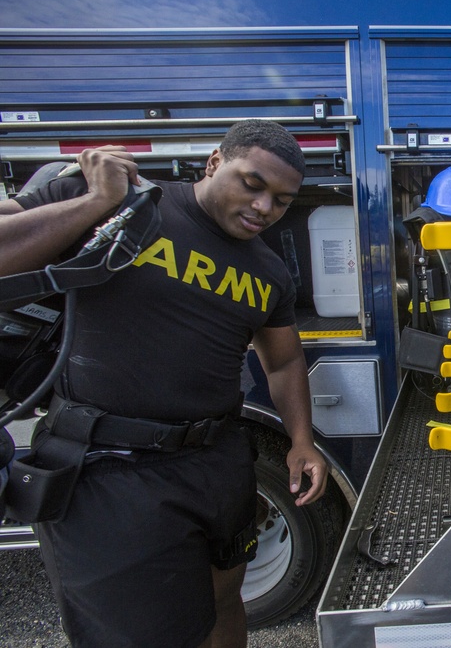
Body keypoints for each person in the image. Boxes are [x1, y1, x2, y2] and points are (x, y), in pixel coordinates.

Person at [1, 119, 329, 648]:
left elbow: (285, 362)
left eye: (283, 200)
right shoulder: (118, 201)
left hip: (216, 463)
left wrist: (300, 441)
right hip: (110, 473)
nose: (265, 208)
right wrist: (94, 203)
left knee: (225, 601)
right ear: (215, 162)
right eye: (253, 184)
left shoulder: (269, 272)